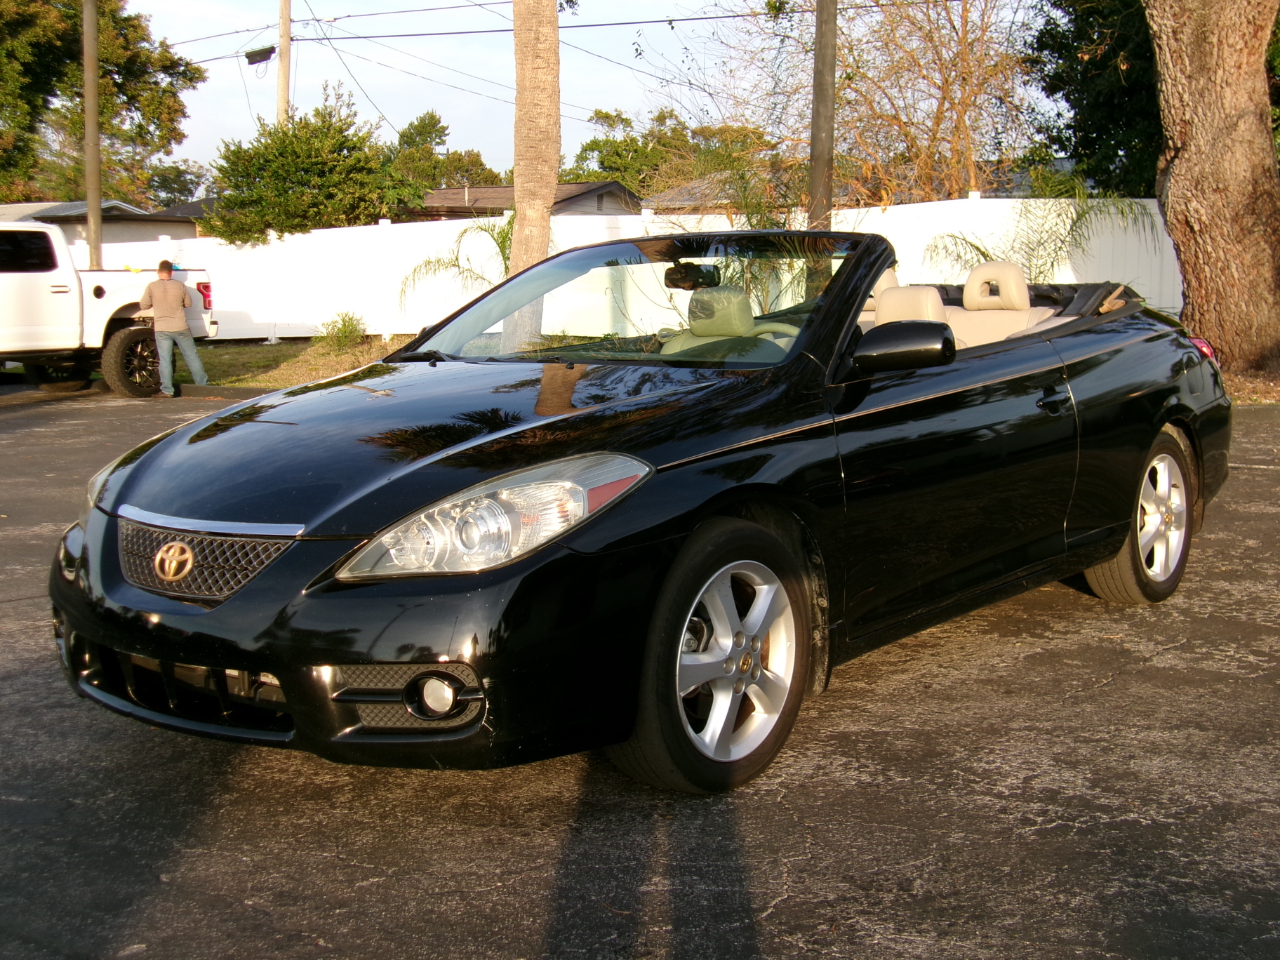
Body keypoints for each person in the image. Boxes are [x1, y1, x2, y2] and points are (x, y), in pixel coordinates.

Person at [140, 259, 208, 397]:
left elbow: (144, 305)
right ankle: (203, 386)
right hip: (181, 326)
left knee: (165, 359)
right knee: (191, 356)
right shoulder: (180, 285)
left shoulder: (152, 286)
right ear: (171, 272)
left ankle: (167, 390)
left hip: (162, 328)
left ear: (157, 272)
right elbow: (188, 304)